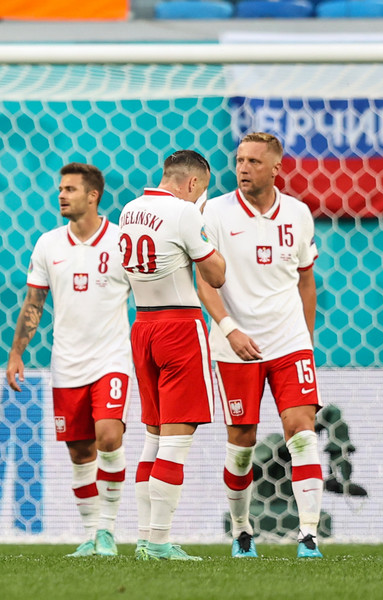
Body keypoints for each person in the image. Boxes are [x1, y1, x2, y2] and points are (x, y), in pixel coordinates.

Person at [198, 132, 324, 559]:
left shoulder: (299, 214)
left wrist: (305, 339)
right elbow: (204, 281)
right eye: (239, 161)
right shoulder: (213, 213)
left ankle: (308, 535)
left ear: (276, 168)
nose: (243, 168)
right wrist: (230, 328)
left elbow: (306, 281)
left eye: (253, 161)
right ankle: (241, 530)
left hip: (289, 342)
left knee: (301, 430)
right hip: (236, 345)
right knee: (242, 443)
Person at [6, 163, 132, 558]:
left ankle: (108, 531)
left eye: (70, 189)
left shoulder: (121, 242)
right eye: (60, 188)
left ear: (93, 196)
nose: (61, 195)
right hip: (66, 363)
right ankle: (93, 534)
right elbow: (34, 303)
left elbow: (145, 296)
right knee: (80, 452)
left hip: (111, 356)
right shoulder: (48, 244)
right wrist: (17, 353)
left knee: (109, 437)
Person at [118, 150, 226, 561]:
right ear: (194, 184)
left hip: (142, 326)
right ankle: (160, 541)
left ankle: (146, 537)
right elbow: (215, 276)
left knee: (154, 437)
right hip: (179, 328)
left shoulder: (129, 210)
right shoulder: (184, 214)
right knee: (175, 444)